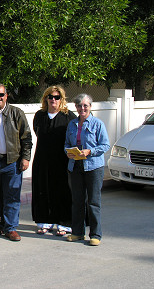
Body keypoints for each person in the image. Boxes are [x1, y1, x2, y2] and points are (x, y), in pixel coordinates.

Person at [0, 83, 32, 241]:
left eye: (1, 95)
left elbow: (26, 138)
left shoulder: (16, 113)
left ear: (6, 96)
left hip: (12, 162)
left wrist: (25, 157)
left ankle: (11, 228)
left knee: (11, 196)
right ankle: (1, 223)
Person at [65, 93, 110, 246]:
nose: (82, 108)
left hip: (93, 167)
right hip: (75, 166)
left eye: (85, 105)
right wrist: (69, 152)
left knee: (93, 202)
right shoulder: (72, 124)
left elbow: (105, 145)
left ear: (90, 107)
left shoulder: (98, 124)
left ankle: (96, 234)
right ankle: (77, 232)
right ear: (76, 107)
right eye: (79, 105)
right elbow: (66, 144)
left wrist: (89, 151)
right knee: (77, 201)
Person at [31, 86, 76, 236]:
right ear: (46, 99)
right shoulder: (40, 115)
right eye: (50, 97)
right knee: (43, 190)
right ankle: (45, 222)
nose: (53, 100)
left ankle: (64, 224)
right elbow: (37, 133)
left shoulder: (68, 116)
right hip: (42, 160)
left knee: (63, 191)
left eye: (57, 97)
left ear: (61, 99)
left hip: (62, 161)